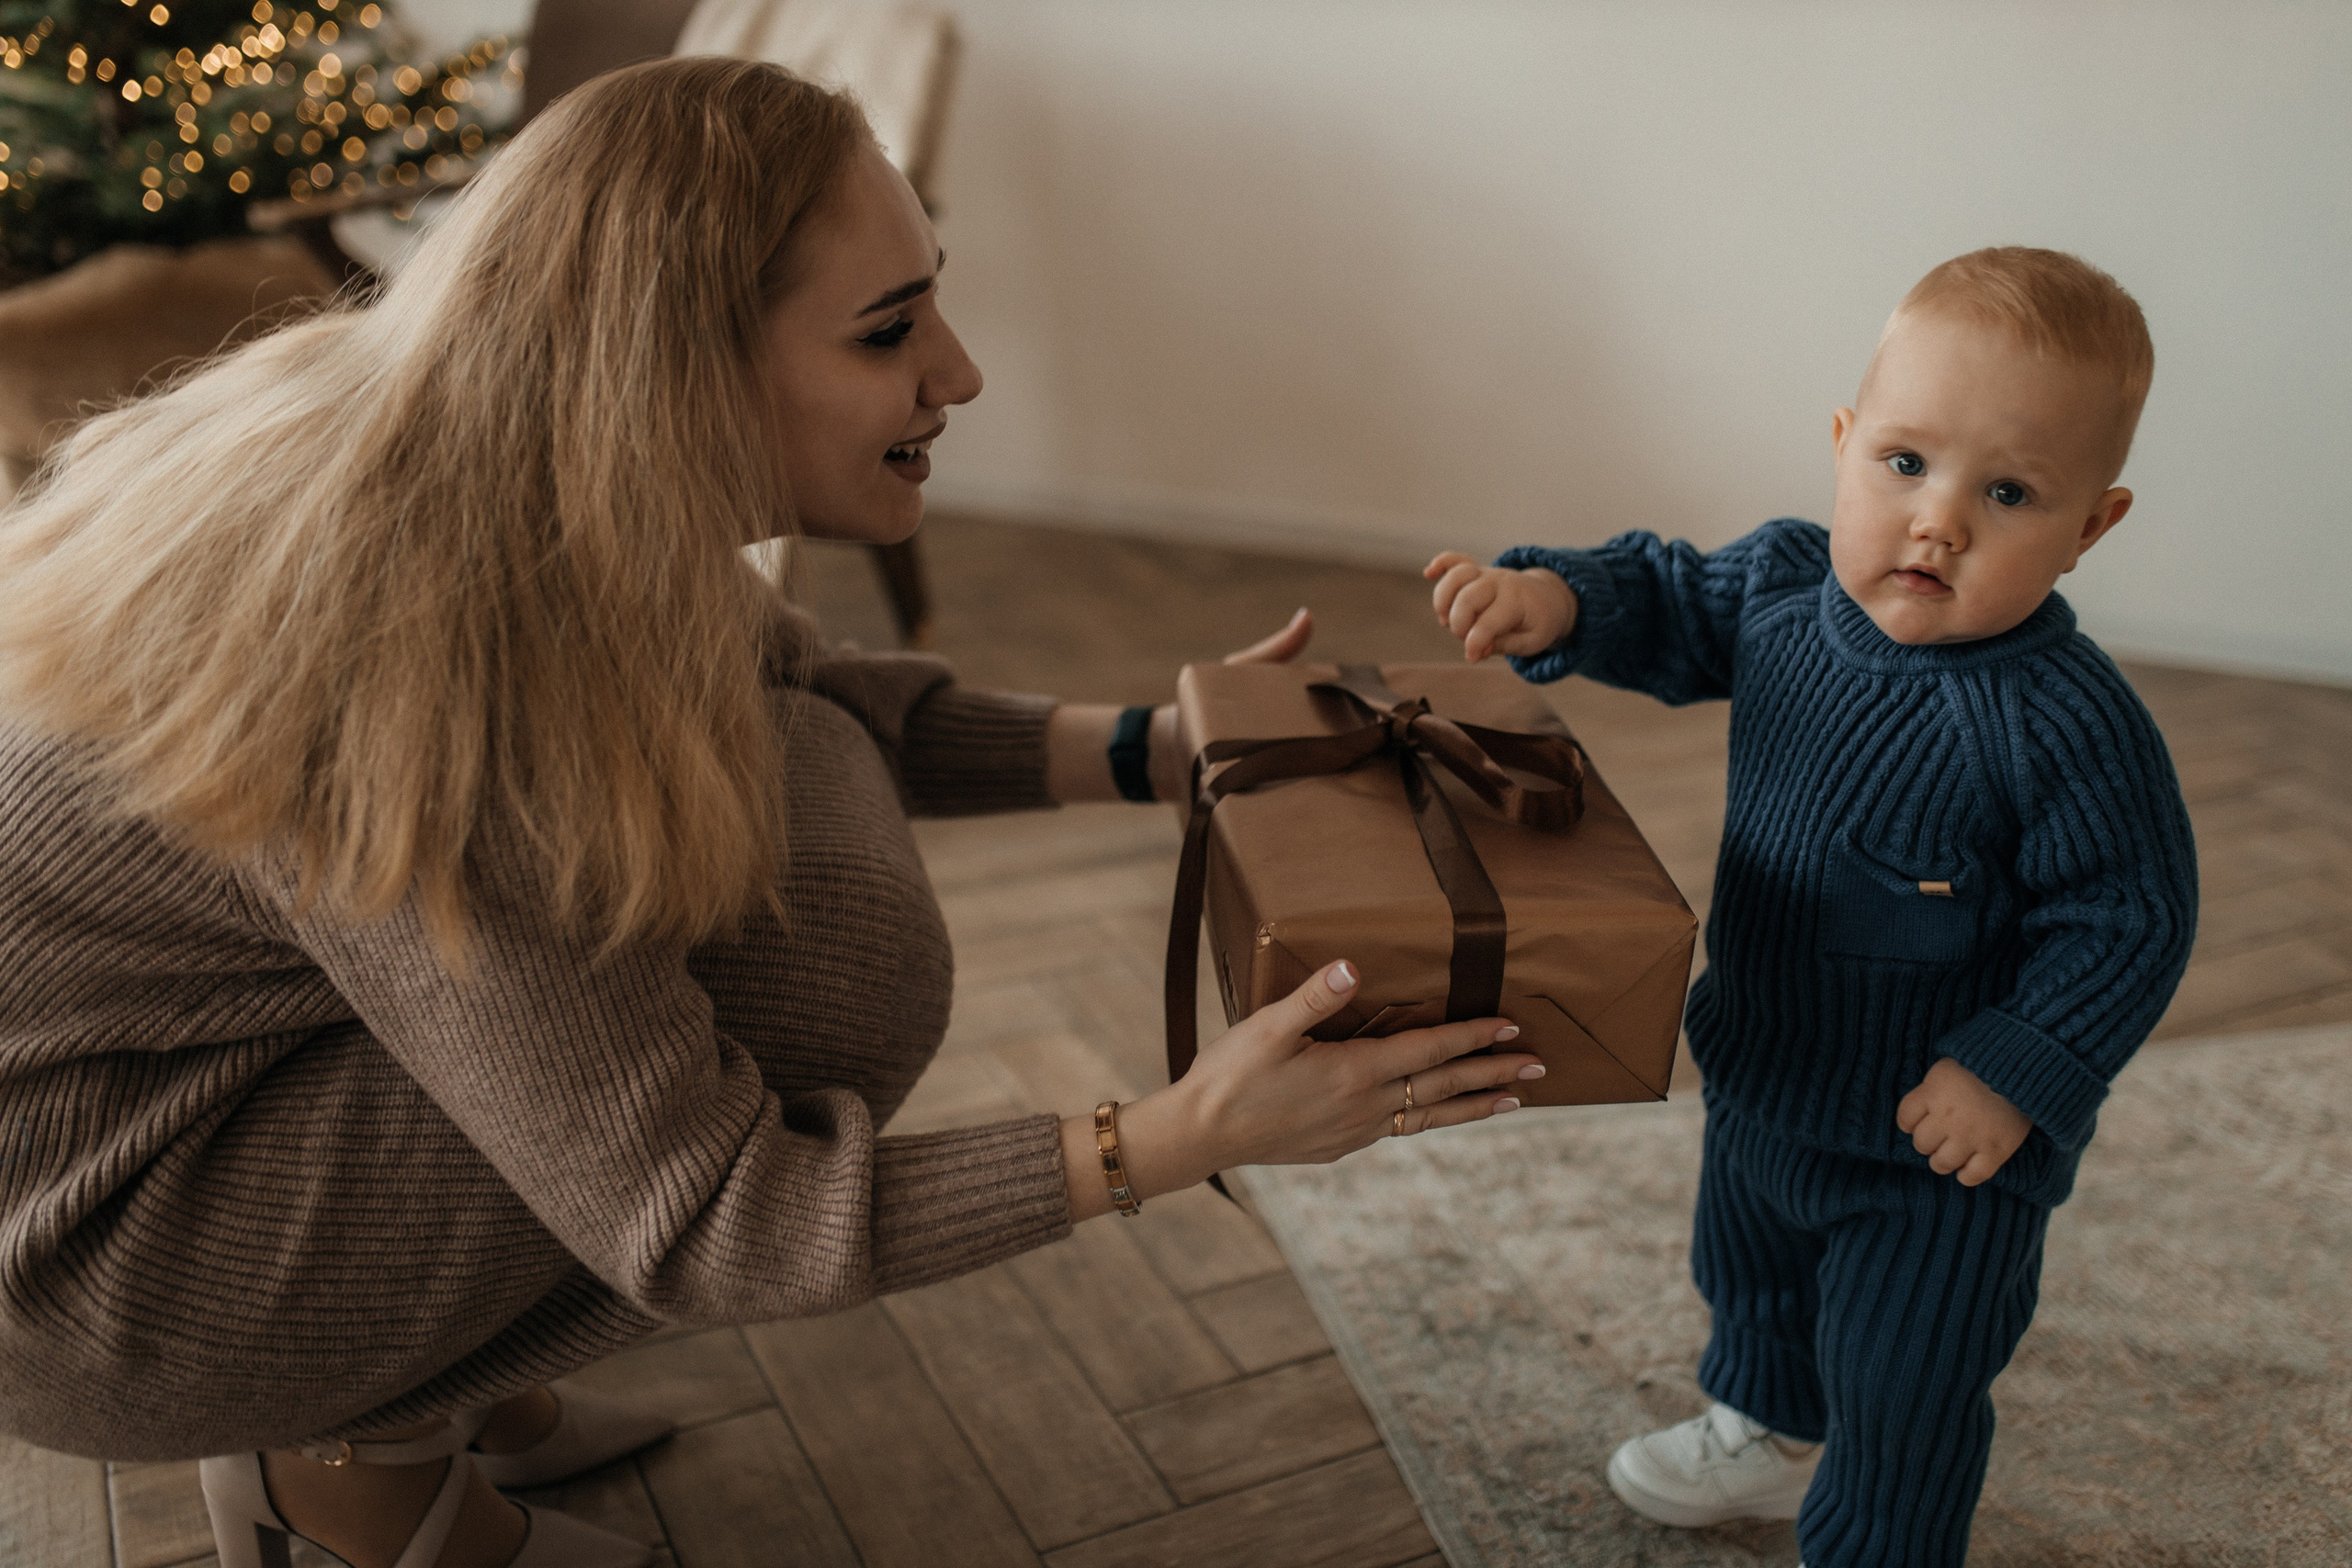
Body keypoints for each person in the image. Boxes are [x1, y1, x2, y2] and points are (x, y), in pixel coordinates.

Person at [0, 59, 1545, 1568]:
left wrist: (1161, 744)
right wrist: (1179, 1134)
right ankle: (347, 1454)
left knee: (767, 776)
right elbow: (714, 1217)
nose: (959, 372)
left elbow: (809, 691)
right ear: (674, 365)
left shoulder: (487, 443)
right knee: (833, 965)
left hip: (166, 1089)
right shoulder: (426, 676)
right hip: (88, 1274)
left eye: (932, 294)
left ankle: (428, 1377)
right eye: (890, 331)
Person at [1424, 248, 2197, 1568]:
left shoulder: (2066, 723)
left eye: (2006, 492)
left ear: (2091, 526)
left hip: (1940, 1152)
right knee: (1753, 1279)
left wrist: (2012, 1073)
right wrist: (1560, 598)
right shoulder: (1787, 594)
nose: (1937, 521)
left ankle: (1879, 1542)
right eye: (1905, 464)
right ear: (1844, 445)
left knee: (1906, 1377)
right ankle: (1768, 1436)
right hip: (1768, 1064)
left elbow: (2129, 917)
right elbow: (1666, 594)